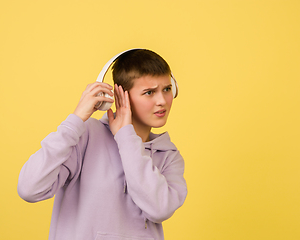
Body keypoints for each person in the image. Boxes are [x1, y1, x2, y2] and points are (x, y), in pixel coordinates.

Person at [17, 49, 187, 240]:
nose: (162, 101)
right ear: (121, 96)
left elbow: (159, 209)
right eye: (149, 92)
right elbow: (29, 188)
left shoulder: (168, 155)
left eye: (166, 89)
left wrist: (126, 137)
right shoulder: (86, 136)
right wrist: (75, 120)